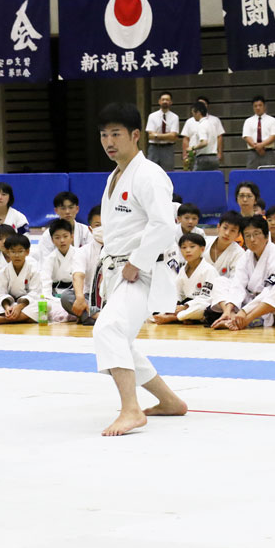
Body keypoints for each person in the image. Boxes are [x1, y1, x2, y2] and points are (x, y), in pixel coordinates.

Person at [93, 102, 187, 437]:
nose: (109, 141)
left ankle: (131, 410)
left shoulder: (148, 174)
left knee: (108, 331)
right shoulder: (115, 175)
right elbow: (130, 222)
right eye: (104, 135)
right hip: (120, 268)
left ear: (136, 135)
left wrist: (136, 262)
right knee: (123, 341)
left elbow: (163, 224)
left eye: (116, 133)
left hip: (143, 270)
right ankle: (170, 402)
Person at [208, 215, 275, 330]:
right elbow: (238, 285)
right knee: (220, 281)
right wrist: (229, 309)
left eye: (256, 234)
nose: (252, 239)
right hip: (253, 305)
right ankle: (229, 317)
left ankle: (246, 320)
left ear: (267, 236)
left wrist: (244, 311)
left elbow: (270, 290)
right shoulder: (246, 256)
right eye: (247, 235)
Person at [0, 233, 42, 324]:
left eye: (20, 251)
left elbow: (35, 293)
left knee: (45, 305)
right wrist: (7, 307)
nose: (17, 255)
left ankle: (4, 319)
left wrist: (20, 306)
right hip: (9, 306)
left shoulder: (34, 269)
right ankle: (23, 318)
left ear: (27, 252)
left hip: (26, 305)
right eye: (13, 251)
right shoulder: (3, 272)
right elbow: (0, 294)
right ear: (7, 252)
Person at [153, 233, 216, 324]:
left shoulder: (208, 270)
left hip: (202, 304)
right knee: (160, 305)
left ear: (202, 249)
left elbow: (207, 298)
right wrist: (174, 305)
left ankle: (175, 318)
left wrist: (185, 307)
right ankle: (181, 316)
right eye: (184, 247)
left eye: (192, 247)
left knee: (202, 308)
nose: (188, 250)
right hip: (186, 305)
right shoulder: (183, 270)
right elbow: (177, 293)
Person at [61, 205, 103, 326]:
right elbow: (78, 275)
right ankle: (99, 316)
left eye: (106, 223)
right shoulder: (82, 251)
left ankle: (89, 317)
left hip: (113, 298)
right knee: (66, 296)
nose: (103, 228)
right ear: (90, 229)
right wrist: (79, 297)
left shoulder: (120, 249)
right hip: (89, 299)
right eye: (97, 225)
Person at [35, 219, 81, 323]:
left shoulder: (80, 254)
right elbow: (45, 282)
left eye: (65, 236)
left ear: (72, 237)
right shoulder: (50, 258)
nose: (62, 240)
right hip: (55, 298)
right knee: (44, 305)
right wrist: (48, 298)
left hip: (74, 296)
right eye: (57, 237)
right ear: (52, 240)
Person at [36, 191, 92, 259]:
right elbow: (44, 260)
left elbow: (91, 256)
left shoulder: (86, 231)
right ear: (56, 210)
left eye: (71, 207)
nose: (67, 212)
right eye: (63, 208)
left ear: (77, 209)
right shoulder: (48, 234)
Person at [145, 91, 179, 171]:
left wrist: (156, 135)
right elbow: (150, 135)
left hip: (168, 148)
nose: (165, 102)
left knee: (168, 172)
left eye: (167, 100)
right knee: (151, 171)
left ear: (171, 102)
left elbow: (173, 136)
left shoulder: (174, 117)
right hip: (154, 148)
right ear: (159, 101)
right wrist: (167, 136)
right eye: (163, 99)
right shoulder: (152, 116)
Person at [242, 95, 275, 169]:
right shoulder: (248, 121)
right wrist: (257, 147)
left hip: (267, 152)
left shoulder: (272, 120)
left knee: (268, 175)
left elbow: (273, 136)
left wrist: (261, 145)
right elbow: (246, 136)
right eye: (255, 106)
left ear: (264, 106)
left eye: (260, 105)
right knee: (251, 176)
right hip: (253, 152)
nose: (258, 108)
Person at [186, 101, 224, 170]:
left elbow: (204, 142)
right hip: (214, 158)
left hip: (203, 159)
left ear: (198, 113)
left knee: (197, 179)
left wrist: (192, 148)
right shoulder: (211, 124)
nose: (193, 116)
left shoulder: (201, 125)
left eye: (193, 113)